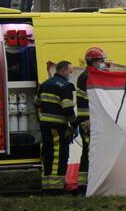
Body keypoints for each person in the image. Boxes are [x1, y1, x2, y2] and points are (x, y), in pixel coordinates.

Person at [36, 60, 76, 190]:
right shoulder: (65, 86)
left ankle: (46, 183)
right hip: (58, 125)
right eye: (69, 72)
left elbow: (37, 102)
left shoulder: (44, 84)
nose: (70, 74)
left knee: (47, 153)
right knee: (60, 153)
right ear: (63, 71)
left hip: (44, 124)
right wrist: (74, 124)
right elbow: (67, 108)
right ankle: (55, 186)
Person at [76, 47, 106, 192]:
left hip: (90, 119)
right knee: (90, 151)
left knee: (90, 151)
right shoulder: (87, 77)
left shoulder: (89, 75)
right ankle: (84, 185)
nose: (103, 63)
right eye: (101, 61)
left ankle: (85, 184)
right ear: (92, 62)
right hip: (87, 120)